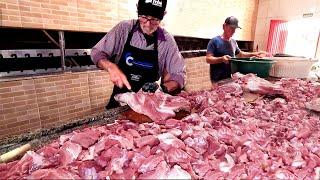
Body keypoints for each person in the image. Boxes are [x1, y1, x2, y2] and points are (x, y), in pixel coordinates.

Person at [91, 0, 186, 109]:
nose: (148, 24)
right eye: (144, 17)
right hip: (121, 100)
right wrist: (110, 66)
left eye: (155, 19)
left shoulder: (167, 41)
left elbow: (179, 74)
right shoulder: (124, 29)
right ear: (137, 9)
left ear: (163, 15)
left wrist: (162, 88)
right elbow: (97, 52)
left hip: (150, 102)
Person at [206, 16, 267, 83]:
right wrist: (221, 59)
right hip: (217, 79)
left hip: (230, 78)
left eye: (235, 29)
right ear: (224, 26)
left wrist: (253, 54)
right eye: (231, 28)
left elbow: (241, 54)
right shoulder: (214, 41)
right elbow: (208, 59)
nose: (233, 31)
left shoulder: (233, 42)